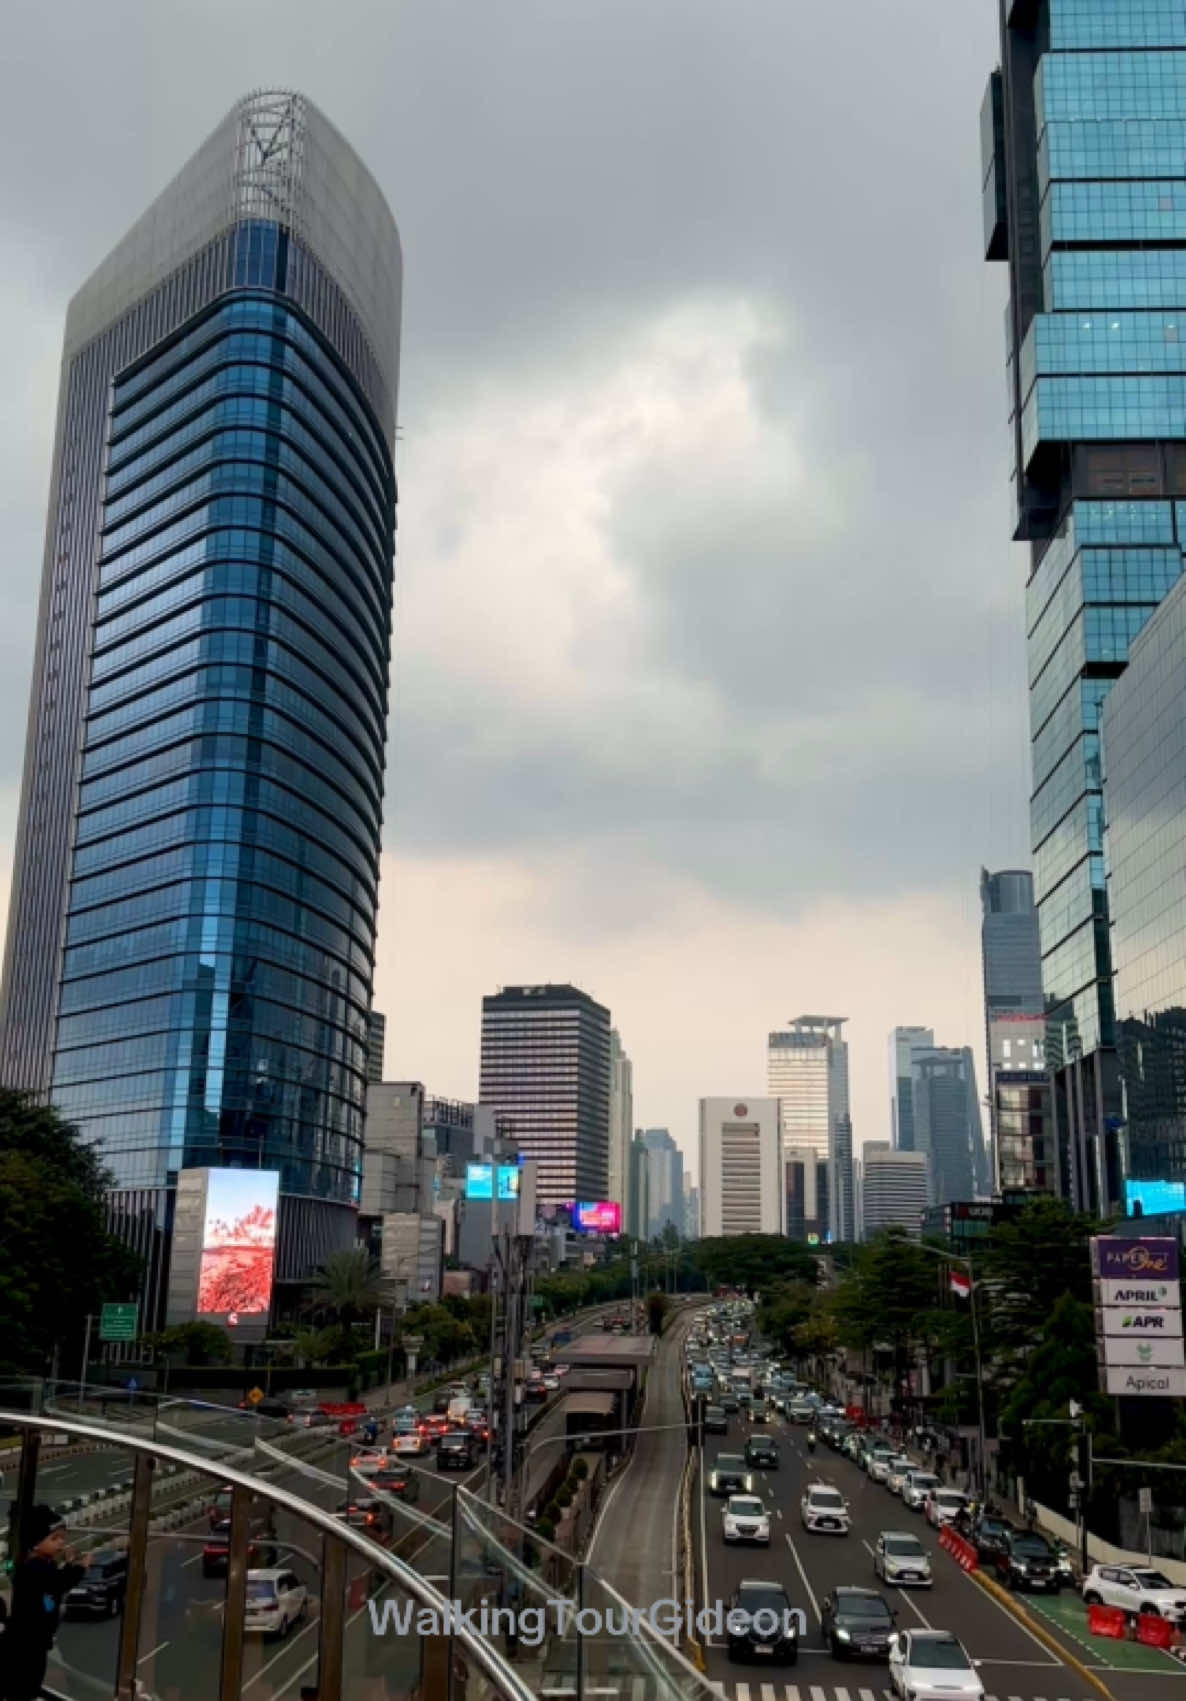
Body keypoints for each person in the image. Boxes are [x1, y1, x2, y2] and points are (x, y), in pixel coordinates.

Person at [1, 1504, 90, 1701]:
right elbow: (59, 1582)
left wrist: (68, 1563)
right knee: (23, 1687)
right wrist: (80, 1568)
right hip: (25, 1644)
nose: (61, 1543)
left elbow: (54, 1581)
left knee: (26, 1687)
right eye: (54, 1538)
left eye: (62, 1538)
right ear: (35, 1542)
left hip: (33, 1642)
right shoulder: (33, 1569)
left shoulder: (41, 1566)